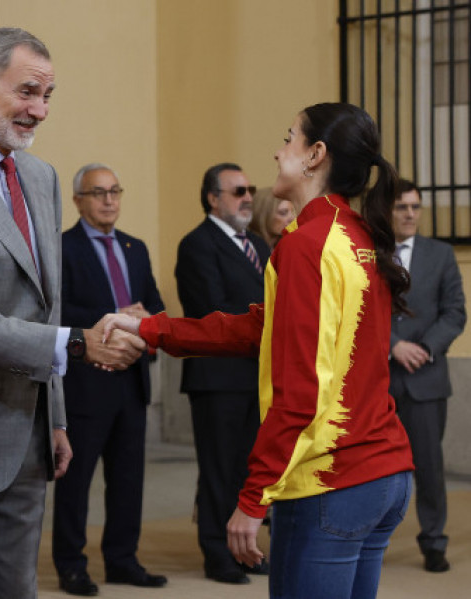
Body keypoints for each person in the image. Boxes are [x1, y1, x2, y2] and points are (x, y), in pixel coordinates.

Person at [103, 103, 415, 599]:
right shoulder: (354, 234)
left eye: (289, 138)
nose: (277, 149)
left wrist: (252, 499)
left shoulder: (307, 244)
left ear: (316, 155)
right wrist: (151, 329)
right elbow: (259, 329)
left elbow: (300, 393)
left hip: (332, 478)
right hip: (384, 473)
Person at [0, 27, 146, 599]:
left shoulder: (41, 178)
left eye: (47, 96)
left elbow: (49, 305)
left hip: (34, 425)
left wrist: (58, 417)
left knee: (16, 588)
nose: (39, 111)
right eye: (26, 93)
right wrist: (76, 345)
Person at [52, 163, 167, 596]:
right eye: (98, 192)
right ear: (79, 200)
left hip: (131, 382)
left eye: (115, 190)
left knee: (127, 479)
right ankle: (71, 564)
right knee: (76, 482)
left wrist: (145, 319)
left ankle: (122, 559)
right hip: (86, 382)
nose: (109, 200)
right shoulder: (63, 247)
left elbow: (156, 309)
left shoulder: (135, 247)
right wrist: (115, 325)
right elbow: (57, 312)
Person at [175, 163, 270, 585]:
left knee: (248, 470)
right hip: (217, 379)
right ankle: (217, 553)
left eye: (249, 189)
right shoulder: (197, 244)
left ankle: (243, 550)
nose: (247, 197)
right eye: (237, 191)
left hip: (256, 375)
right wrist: (259, 319)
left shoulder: (260, 245)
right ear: (213, 199)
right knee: (218, 469)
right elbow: (212, 311)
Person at [389, 178, 466, 573]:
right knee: (372, 466)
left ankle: (434, 542)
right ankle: (368, 538)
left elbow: (455, 312)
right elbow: (356, 310)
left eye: (415, 207)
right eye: (402, 206)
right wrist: (392, 345)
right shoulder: (369, 254)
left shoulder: (440, 254)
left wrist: (425, 348)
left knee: (430, 468)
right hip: (379, 379)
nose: (409, 214)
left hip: (426, 378)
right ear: (387, 210)